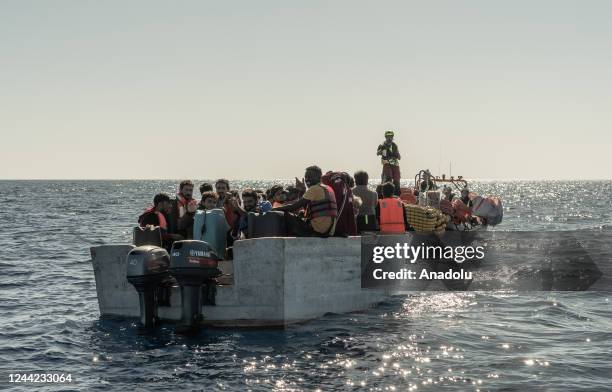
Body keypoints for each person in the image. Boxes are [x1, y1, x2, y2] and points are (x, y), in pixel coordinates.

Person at [272, 165, 337, 237]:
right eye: (306, 177)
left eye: (310, 176)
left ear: (319, 177)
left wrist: (274, 209)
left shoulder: (314, 189)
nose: (307, 179)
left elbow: (294, 207)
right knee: (300, 215)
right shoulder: (328, 188)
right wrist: (302, 191)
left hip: (317, 230)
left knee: (286, 215)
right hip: (329, 231)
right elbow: (307, 208)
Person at [193, 191, 230, 259]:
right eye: (209, 201)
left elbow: (227, 229)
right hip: (201, 253)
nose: (212, 204)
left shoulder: (219, 214)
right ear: (203, 202)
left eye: (214, 202)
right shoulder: (198, 215)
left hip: (217, 253)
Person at [377, 130, 402, 195]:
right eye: (388, 137)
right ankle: (387, 194)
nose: (389, 138)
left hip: (395, 164)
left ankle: (397, 194)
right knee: (389, 178)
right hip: (387, 163)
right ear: (385, 137)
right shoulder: (382, 145)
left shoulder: (394, 145)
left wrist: (397, 155)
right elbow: (378, 153)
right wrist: (381, 150)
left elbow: (399, 156)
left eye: (391, 136)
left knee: (397, 179)